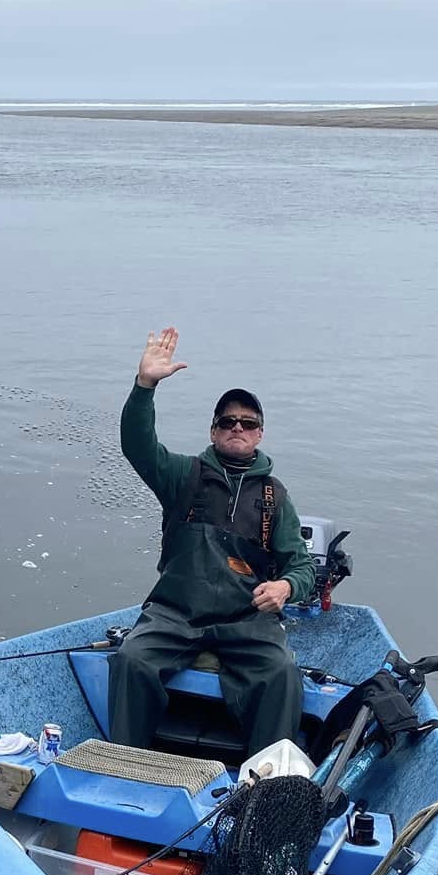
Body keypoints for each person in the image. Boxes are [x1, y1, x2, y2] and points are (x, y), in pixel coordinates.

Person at [109, 325, 315, 758]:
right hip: (175, 615)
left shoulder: (274, 496)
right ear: (213, 431)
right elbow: (137, 446)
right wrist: (145, 386)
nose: (237, 427)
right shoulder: (182, 475)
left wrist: (285, 587)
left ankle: (265, 783)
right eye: (227, 421)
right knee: (132, 660)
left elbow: (302, 565)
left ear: (259, 434)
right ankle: (126, 763)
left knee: (281, 673)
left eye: (247, 423)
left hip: (247, 622)